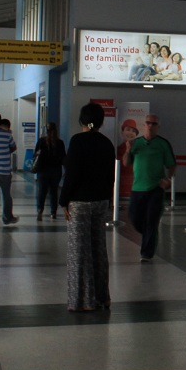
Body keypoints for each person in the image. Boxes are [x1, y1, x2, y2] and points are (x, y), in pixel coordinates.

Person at [61, 102, 117, 311]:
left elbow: (72, 174)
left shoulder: (78, 141)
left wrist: (63, 200)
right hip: (101, 201)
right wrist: (108, 201)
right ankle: (103, 297)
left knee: (79, 252)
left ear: (82, 120)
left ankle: (81, 301)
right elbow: (110, 176)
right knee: (99, 249)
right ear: (101, 121)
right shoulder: (107, 143)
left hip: (80, 202)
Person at [123, 114, 176, 262]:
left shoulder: (163, 144)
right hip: (138, 188)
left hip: (155, 189)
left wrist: (168, 179)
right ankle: (147, 233)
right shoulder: (136, 143)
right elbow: (126, 163)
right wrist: (127, 150)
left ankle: (146, 253)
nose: (150, 126)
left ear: (158, 127)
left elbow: (171, 164)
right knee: (134, 217)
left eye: (154, 124)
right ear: (144, 125)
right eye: (148, 123)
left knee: (151, 221)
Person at [32, 122, 66, 220]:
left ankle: (40, 210)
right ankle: (53, 212)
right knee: (53, 192)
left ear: (46, 131)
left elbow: (35, 154)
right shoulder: (60, 142)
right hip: (56, 171)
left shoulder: (41, 141)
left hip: (43, 171)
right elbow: (63, 158)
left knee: (42, 191)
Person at [115, 119, 139, 200]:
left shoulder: (139, 149)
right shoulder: (117, 149)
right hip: (120, 188)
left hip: (135, 188)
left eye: (133, 131)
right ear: (122, 132)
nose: (130, 133)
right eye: (128, 130)